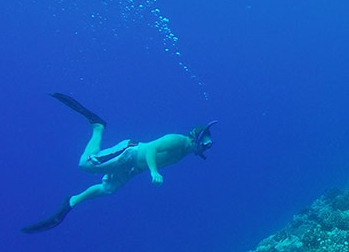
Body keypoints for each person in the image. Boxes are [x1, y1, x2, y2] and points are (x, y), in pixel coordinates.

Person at [22, 93, 216, 233]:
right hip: (129, 153)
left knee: (108, 189)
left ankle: (71, 203)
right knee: (85, 164)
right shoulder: (179, 140)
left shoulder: (185, 152)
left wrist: (146, 170)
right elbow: (151, 149)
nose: (207, 147)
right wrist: (154, 172)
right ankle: (98, 127)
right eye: (205, 142)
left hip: (134, 168)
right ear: (195, 138)